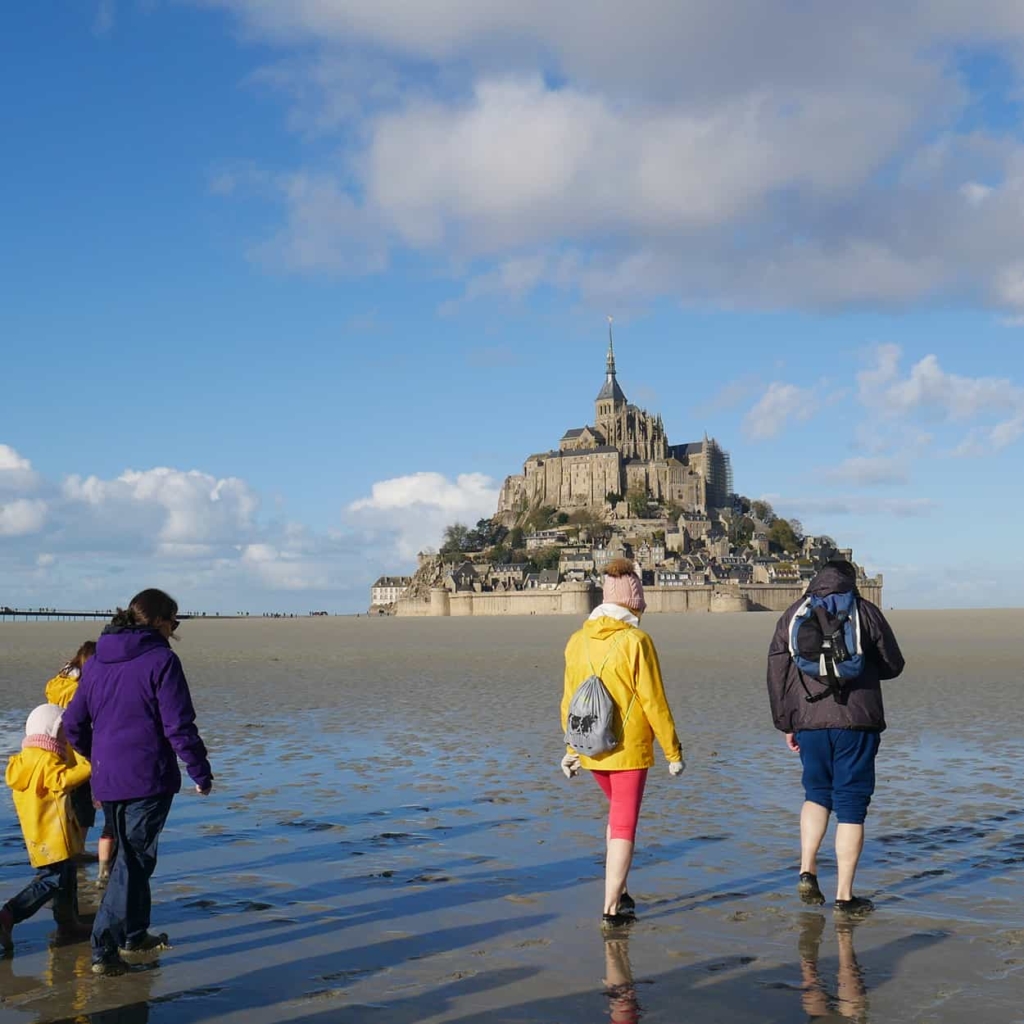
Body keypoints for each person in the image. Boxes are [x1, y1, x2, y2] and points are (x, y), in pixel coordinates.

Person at [63, 588, 214, 975]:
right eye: (173, 621)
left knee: (135, 858)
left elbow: (73, 724)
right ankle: (104, 946)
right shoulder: (162, 660)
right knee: (133, 861)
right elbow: (178, 725)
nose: (174, 629)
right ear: (161, 621)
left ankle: (134, 934)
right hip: (147, 777)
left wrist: (98, 756)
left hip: (109, 776)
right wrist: (200, 771)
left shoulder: (96, 660)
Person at [766, 560, 904, 917]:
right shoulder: (865, 610)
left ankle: (807, 868)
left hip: (809, 721)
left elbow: (777, 669)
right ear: (851, 580)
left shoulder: (795, 613)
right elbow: (894, 663)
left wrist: (786, 723)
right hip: (857, 721)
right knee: (852, 805)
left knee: (816, 794)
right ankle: (845, 896)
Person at [560, 558, 684, 927]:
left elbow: (569, 700)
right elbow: (653, 700)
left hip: (590, 747)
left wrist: (571, 750)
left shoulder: (577, 640)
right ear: (634, 603)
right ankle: (611, 909)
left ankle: (622, 891)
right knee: (625, 824)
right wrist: (673, 752)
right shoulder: (637, 641)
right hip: (627, 750)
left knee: (617, 817)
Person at [1, 704, 93, 954]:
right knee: (52, 880)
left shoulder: (25, 759)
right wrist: (89, 761)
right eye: (65, 732)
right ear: (51, 732)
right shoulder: (46, 760)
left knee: (67, 878)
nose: (68, 738)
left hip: (38, 833)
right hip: (54, 834)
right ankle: (9, 914)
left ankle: (68, 924)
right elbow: (63, 780)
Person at [44, 641, 117, 885]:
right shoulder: (83, 687)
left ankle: (73, 849)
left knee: (69, 805)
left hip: (56, 752)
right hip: (79, 755)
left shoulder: (58, 683)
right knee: (83, 806)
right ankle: (75, 850)